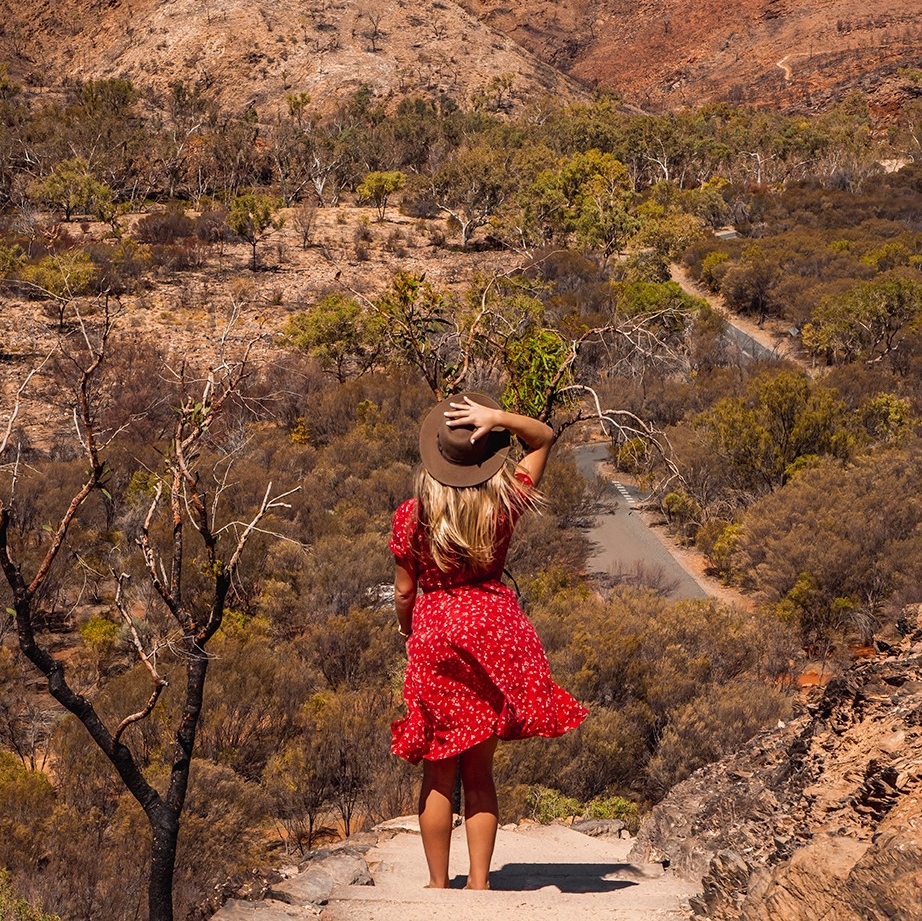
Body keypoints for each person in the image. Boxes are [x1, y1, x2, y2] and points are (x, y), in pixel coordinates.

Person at [389, 392, 588, 891]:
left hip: (436, 633)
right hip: (495, 630)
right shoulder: (505, 500)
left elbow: (403, 590)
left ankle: (438, 888)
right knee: (479, 771)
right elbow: (543, 437)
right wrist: (498, 418)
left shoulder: (411, 516)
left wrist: (407, 627)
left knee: (439, 772)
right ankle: (479, 886)